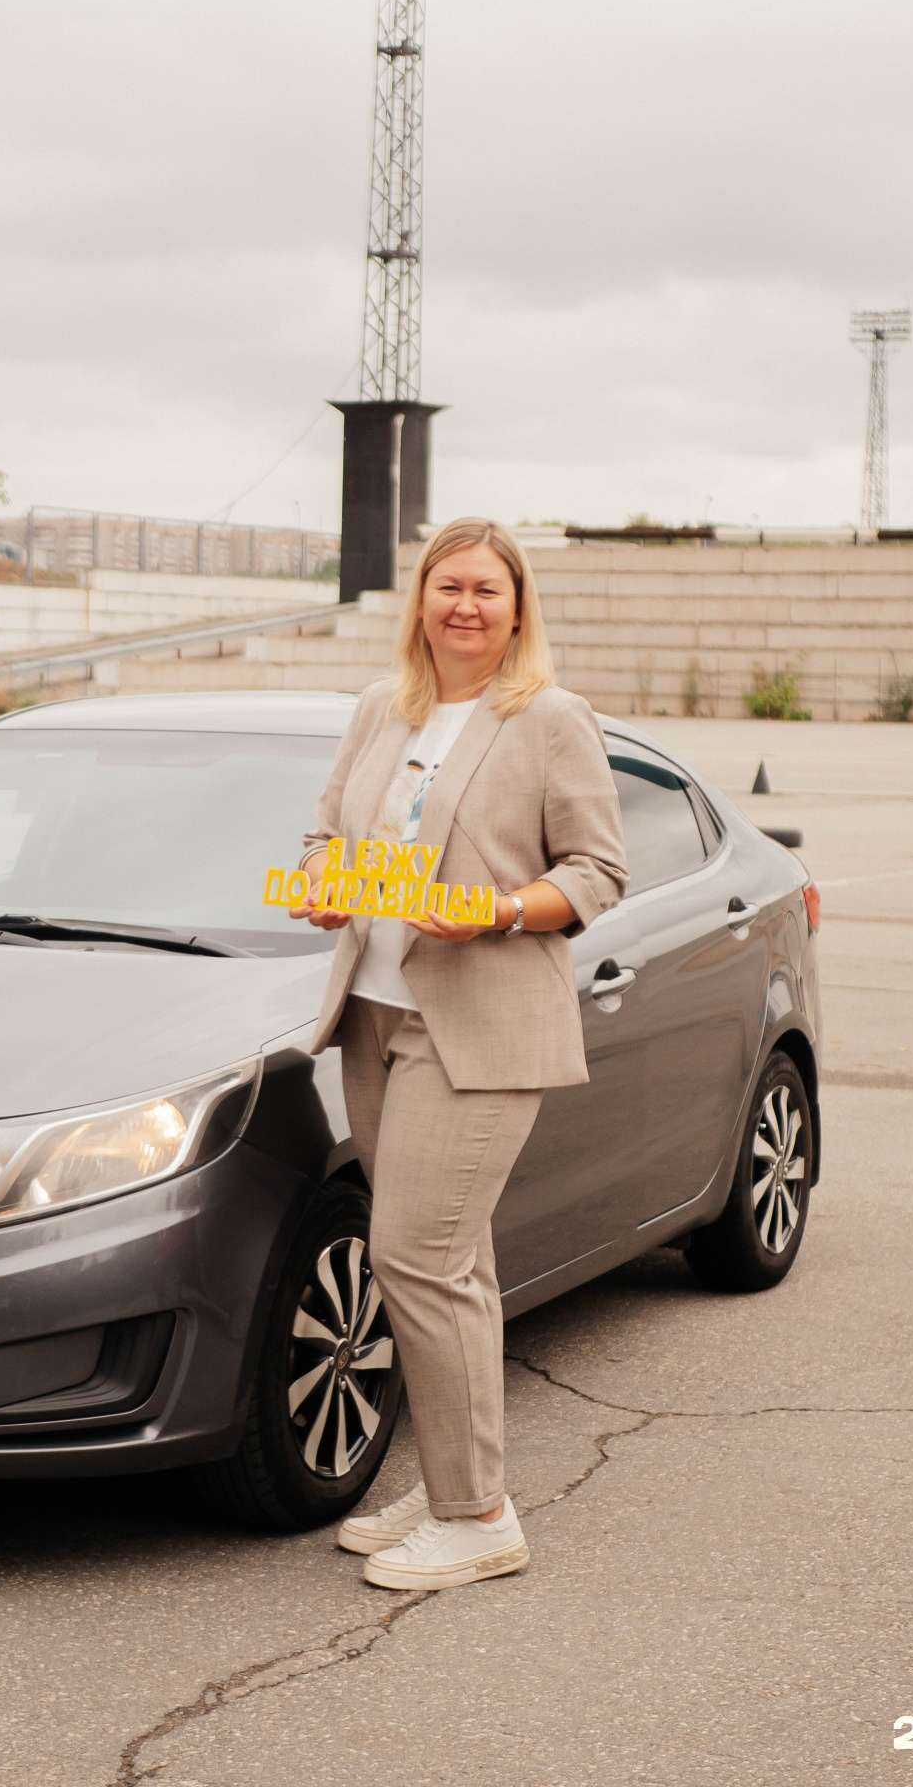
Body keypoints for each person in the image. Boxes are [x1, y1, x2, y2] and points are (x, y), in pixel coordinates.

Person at [288, 517, 629, 1593]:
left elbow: (598, 873)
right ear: (420, 602)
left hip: (479, 1026)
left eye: (487, 589)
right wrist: (319, 885)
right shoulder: (381, 711)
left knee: (417, 1261)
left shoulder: (550, 720)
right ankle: (453, 1480)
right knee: (455, 1265)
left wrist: (498, 911)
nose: (465, 607)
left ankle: (475, 1516)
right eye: (447, 588)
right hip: (375, 1018)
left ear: (517, 607)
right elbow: (324, 837)